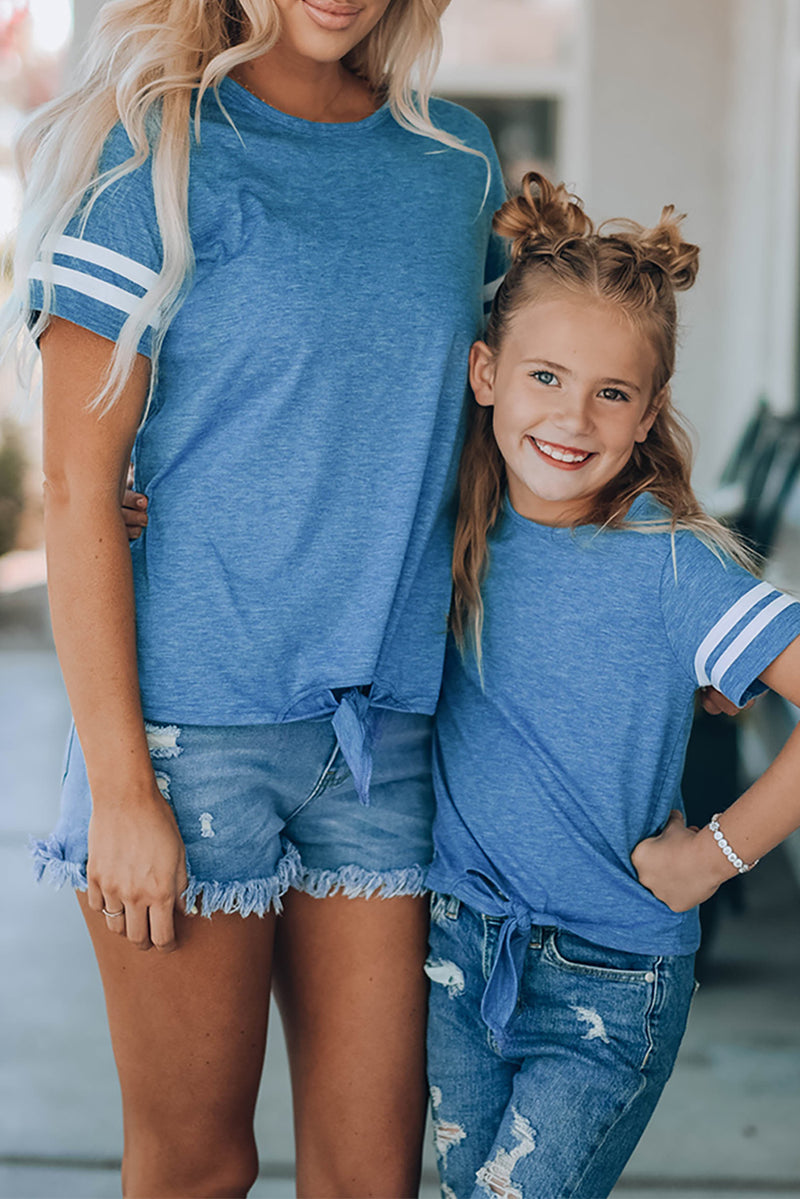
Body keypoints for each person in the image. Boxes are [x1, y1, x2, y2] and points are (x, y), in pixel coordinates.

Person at [8, 1, 509, 1195]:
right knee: (196, 1167)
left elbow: (508, 430)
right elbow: (76, 493)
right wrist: (122, 786)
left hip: (383, 738)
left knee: (369, 1175)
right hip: (190, 738)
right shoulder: (150, 157)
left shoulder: (455, 164)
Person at [423, 174, 800, 1199]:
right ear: (484, 371)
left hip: (607, 974)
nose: (571, 416)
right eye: (545, 376)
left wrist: (711, 857)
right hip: (453, 951)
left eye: (610, 392)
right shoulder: (448, 524)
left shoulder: (672, 568)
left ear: (646, 416)